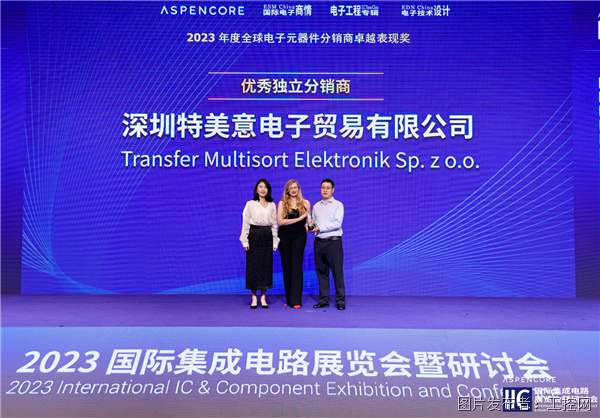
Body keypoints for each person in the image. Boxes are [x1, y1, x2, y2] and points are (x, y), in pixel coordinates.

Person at [240, 179, 279, 309]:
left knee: (265, 267)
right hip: (254, 235)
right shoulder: (250, 204)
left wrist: (275, 241)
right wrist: (245, 240)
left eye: (265, 187)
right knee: (253, 266)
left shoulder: (272, 205)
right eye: (260, 187)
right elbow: (245, 223)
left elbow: (274, 225)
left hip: (267, 236)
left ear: (268, 190)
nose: (263, 189)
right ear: (256, 189)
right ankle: (253, 297)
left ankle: (263, 297)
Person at [309, 179, 346, 310]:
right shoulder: (316, 206)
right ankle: (323, 300)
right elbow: (314, 222)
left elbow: (337, 223)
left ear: (333, 190)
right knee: (321, 272)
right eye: (323, 187)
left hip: (333, 242)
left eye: (328, 188)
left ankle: (340, 301)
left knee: (337, 272)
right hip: (319, 242)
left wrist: (320, 228)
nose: (325, 190)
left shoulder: (338, 205)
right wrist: (310, 225)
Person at [277, 180, 310, 309]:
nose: (293, 190)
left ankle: (296, 300)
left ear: (298, 189)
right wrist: (299, 218)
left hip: (299, 236)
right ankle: (289, 299)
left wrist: (310, 224)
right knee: (287, 266)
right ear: (287, 190)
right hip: (284, 236)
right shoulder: (282, 203)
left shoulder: (305, 203)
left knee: (296, 265)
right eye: (291, 188)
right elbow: (280, 222)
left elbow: (308, 222)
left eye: (295, 187)